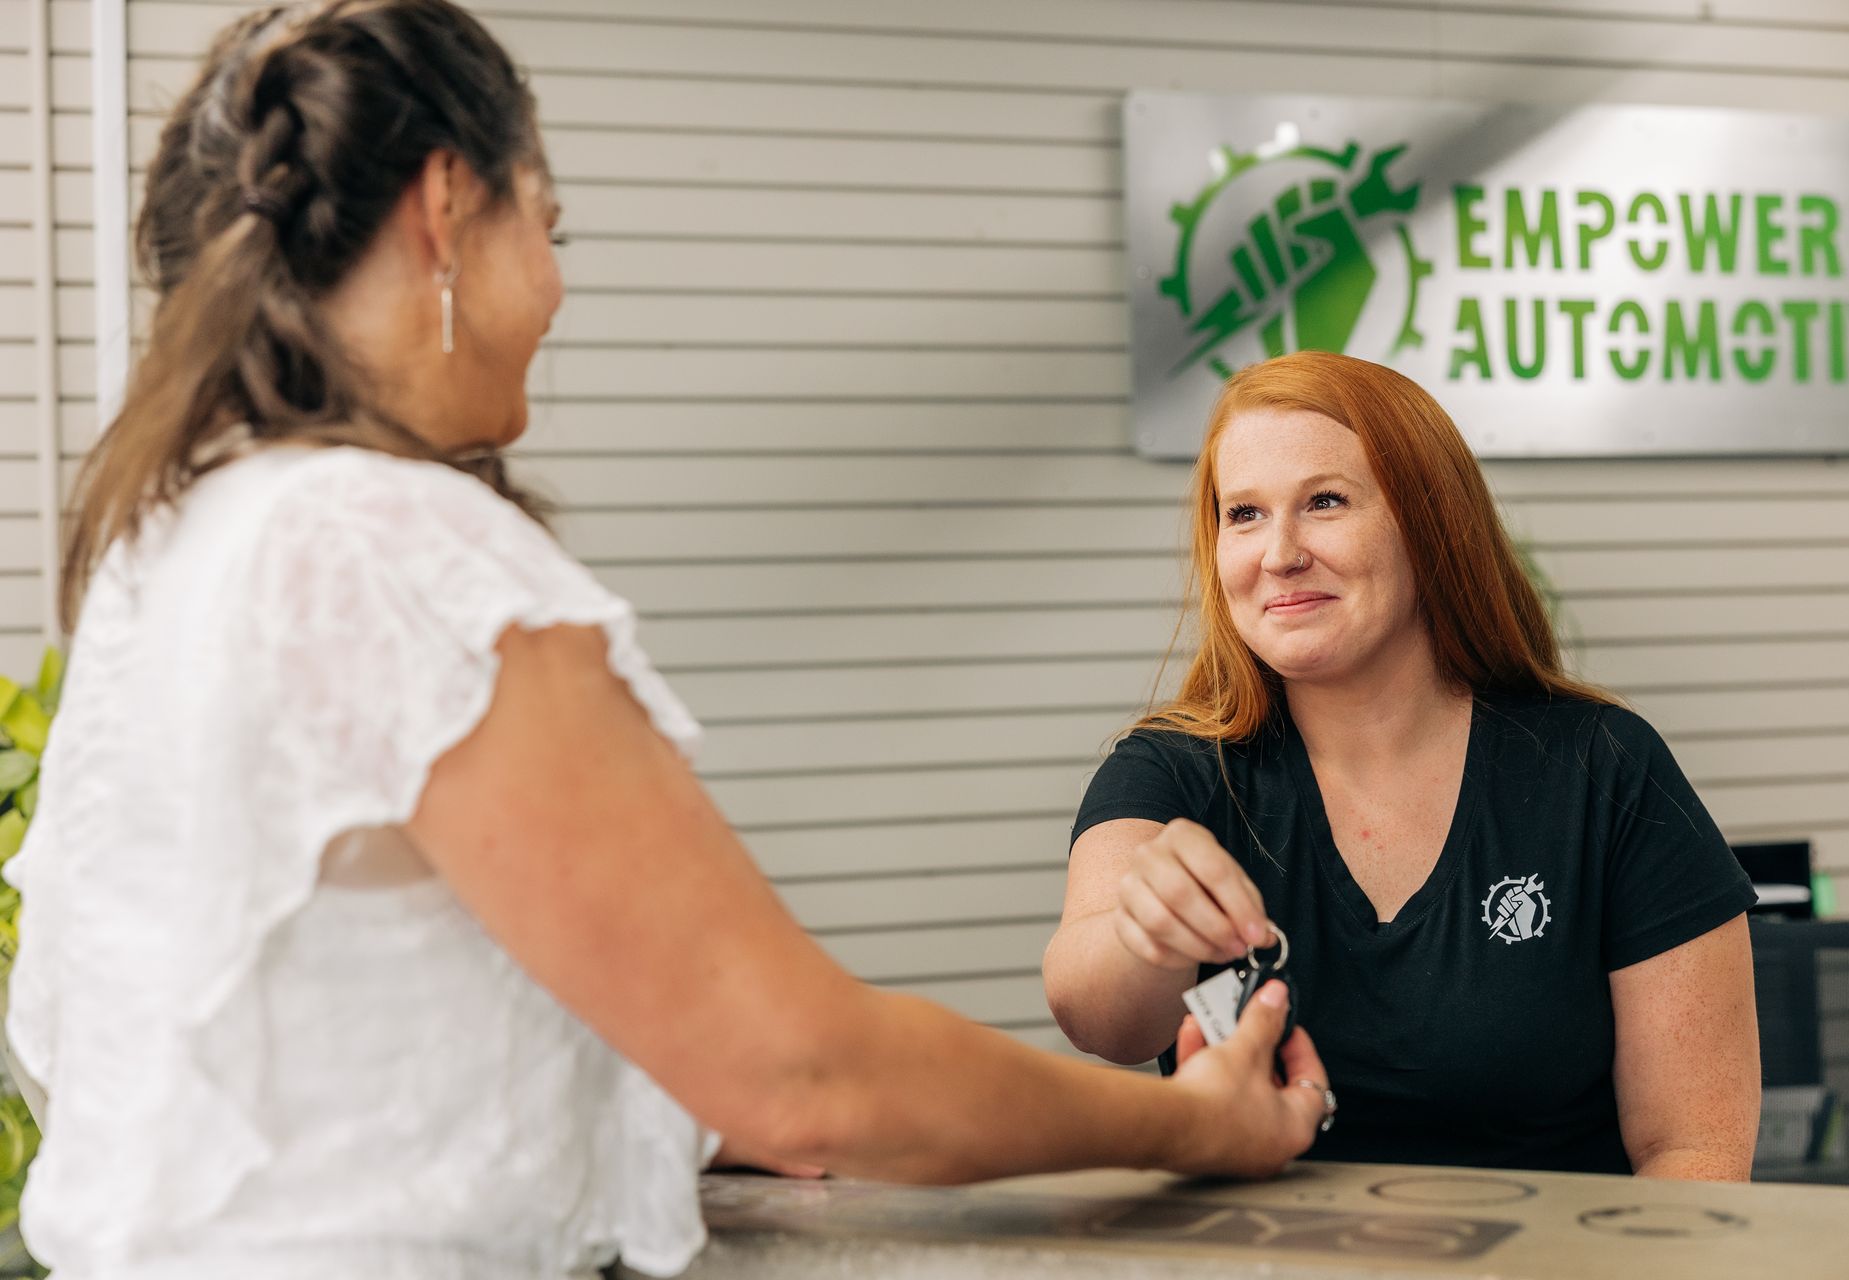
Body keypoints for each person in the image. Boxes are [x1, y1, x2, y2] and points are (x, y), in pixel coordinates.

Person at [4, 3, 1337, 1277]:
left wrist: (666, 1112)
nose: (558, 290)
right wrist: (1193, 1126)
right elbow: (813, 1076)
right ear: (446, 209)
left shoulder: (179, 541)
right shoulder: (392, 555)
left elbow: (224, 1042)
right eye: (554, 229)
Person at [1043, 351, 1762, 1179]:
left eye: (1324, 502)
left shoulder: (1601, 766)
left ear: (1430, 522)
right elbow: (1098, 1018)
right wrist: (1148, 933)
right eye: (1243, 514)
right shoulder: (1171, 774)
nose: (1278, 554)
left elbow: (1693, 1148)